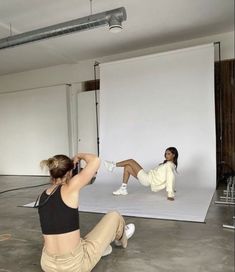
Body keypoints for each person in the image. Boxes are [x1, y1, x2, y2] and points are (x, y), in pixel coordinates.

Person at [36, 153, 135, 272]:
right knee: (114, 216)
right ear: (68, 173)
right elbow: (95, 160)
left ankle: (102, 246)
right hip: (73, 266)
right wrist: (78, 156)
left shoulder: (42, 195)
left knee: (80, 240)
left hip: (47, 264)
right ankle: (121, 235)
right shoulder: (70, 186)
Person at [104, 147, 178, 201]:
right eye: (166, 153)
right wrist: (173, 188)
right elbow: (170, 177)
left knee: (131, 161)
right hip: (147, 177)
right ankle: (123, 189)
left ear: (173, 155)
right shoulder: (169, 164)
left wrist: (170, 194)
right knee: (127, 167)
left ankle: (113, 165)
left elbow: (170, 178)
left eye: (168, 154)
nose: (166, 155)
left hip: (147, 179)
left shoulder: (169, 165)